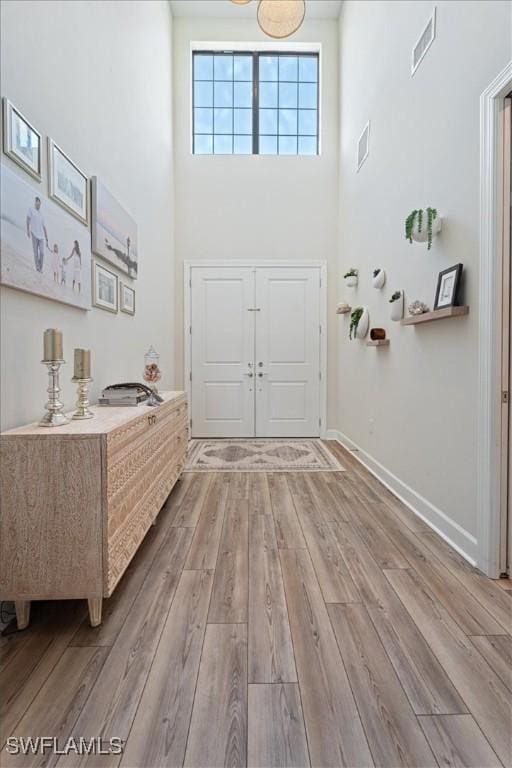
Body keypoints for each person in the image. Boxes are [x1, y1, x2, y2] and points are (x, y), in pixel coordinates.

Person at [26, 197, 48, 273]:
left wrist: (46, 237)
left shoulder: (41, 214)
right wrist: (28, 230)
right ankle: (38, 268)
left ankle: (40, 268)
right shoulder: (31, 209)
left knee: (42, 253)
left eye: (40, 204)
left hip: (41, 236)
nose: (39, 205)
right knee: (36, 253)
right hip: (34, 234)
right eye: (37, 203)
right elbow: (28, 220)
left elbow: (44, 227)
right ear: (35, 203)